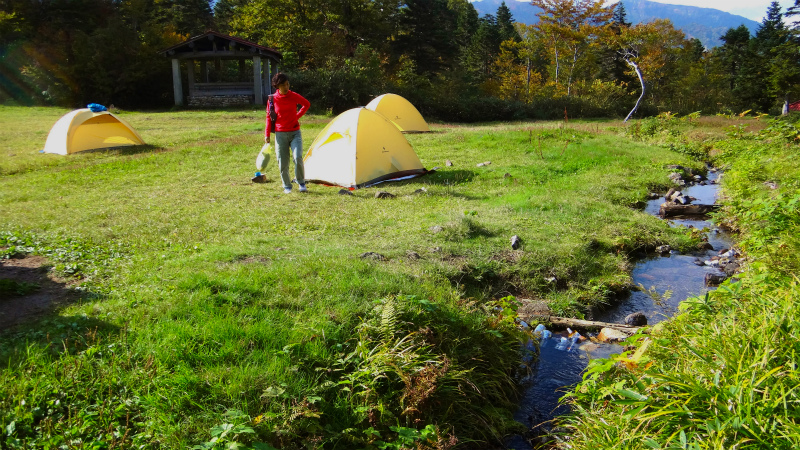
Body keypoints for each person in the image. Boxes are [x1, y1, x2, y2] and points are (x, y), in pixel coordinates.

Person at [265, 73, 311, 193]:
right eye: (283, 85)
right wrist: (267, 135)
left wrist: (297, 117)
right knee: (283, 161)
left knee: (298, 157)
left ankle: (301, 183)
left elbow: (306, 104)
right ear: (277, 86)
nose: (286, 87)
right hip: (280, 134)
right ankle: (287, 186)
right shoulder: (272, 99)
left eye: (287, 84)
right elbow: (268, 117)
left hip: (295, 132)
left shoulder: (293, 96)